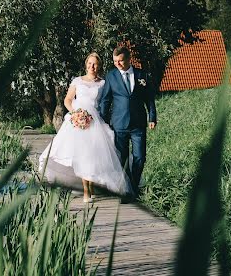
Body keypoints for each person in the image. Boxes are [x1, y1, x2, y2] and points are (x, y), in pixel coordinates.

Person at [38, 53, 131, 202]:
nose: (91, 67)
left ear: (98, 66)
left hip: (95, 122)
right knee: (82, 155)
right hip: (77, 122)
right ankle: (86, 191)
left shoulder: (102, 83)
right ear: (86, 64)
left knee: (93, 156)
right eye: (89, 63)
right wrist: (76, 113)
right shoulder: (77, 81)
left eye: (94, 64)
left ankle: (92, 188)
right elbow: (68, 100)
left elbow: (107, 101)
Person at [97, 46, 157, 199]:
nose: (118, 63)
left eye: (121, 60)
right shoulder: (111, 76)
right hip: (119, 124)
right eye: (115, 61)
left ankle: (134, 185)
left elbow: (149, 98)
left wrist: (152, 117)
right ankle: (128, 190)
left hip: (138, 123)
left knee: (140, 157)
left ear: (129, 59)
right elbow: (105, 100)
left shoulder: (141, 75)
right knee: (122, 158)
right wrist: (103, 121)